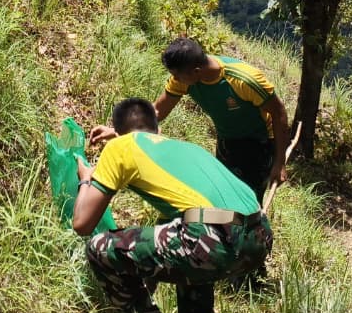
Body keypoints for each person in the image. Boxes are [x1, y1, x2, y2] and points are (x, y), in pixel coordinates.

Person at [73, 97, 273, 313]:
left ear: (118, 131)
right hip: (258, 237)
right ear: (154, 126)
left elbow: (82, 223)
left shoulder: (119, 147)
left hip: (214, 239)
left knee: (99, 248)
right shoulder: (184, 148)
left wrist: (86, 178)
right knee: (181, 245)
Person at [90, 37, 291, 205]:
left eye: (177, 75)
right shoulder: (184, 80)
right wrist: (117, 132)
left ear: (196, 72)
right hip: (227, 140)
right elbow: (158, 111)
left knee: (248, 199)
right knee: (222, 192)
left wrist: (279, 163)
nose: (174, 79)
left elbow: (279, 113)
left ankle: (250, 243)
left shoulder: (242, 80)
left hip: (259, 144)